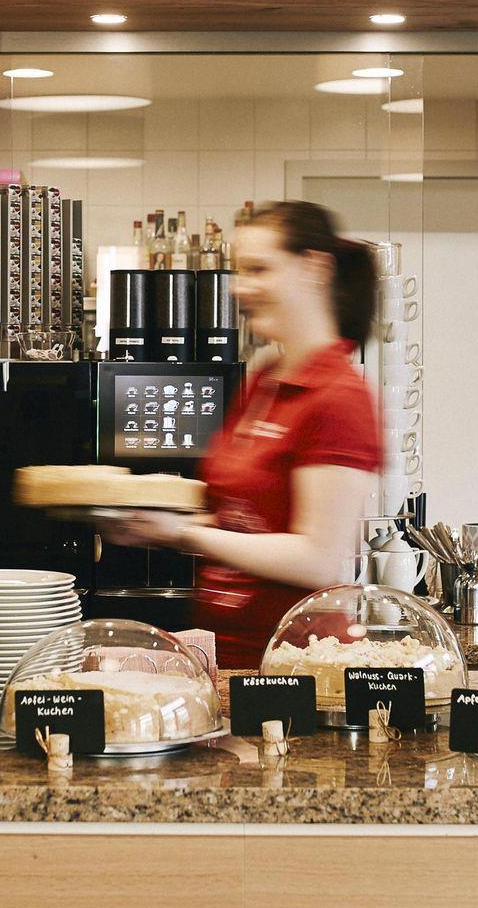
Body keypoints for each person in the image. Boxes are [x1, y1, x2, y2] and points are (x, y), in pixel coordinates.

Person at [107, 200, 384, 667]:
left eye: (259, 269)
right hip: (226, 656)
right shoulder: (266, 378)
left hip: (291, 668)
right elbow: (240, 519)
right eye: (240, 270)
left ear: (314, 268)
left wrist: (184, 534)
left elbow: (316, 558)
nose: (238, 287)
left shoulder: (338, 396)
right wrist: (147, 519)